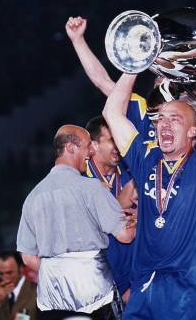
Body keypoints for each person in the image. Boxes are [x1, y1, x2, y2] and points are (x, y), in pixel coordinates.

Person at [102, 32, 196, 320]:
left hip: (187, 287)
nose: (163, 124)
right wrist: (133, 64)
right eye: (160, 119)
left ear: (193, 131)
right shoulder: (146, 160)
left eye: (174, 119)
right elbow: (112, 112)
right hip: (145, 283)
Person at [17, 125, 135, 320]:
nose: (91, 151)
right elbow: (125, 235)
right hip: (94, 292)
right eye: (88, 146)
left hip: (51, 297)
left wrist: (59, 270)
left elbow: (28, 257)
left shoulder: (33, 197)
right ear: (71, 147)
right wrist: (140, 219)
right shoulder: (91, 188)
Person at [85, 115, 137, 303]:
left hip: (133, 281)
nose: (118, 146)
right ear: (93, 146)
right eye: (111, 141)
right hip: (95, 285)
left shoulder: (129, 173)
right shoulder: (80, 181)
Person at [0, 251, 37, 320]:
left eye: (9, 273)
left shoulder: (37, 291)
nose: (5, 278)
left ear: (21, 269)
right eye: (1, 273)